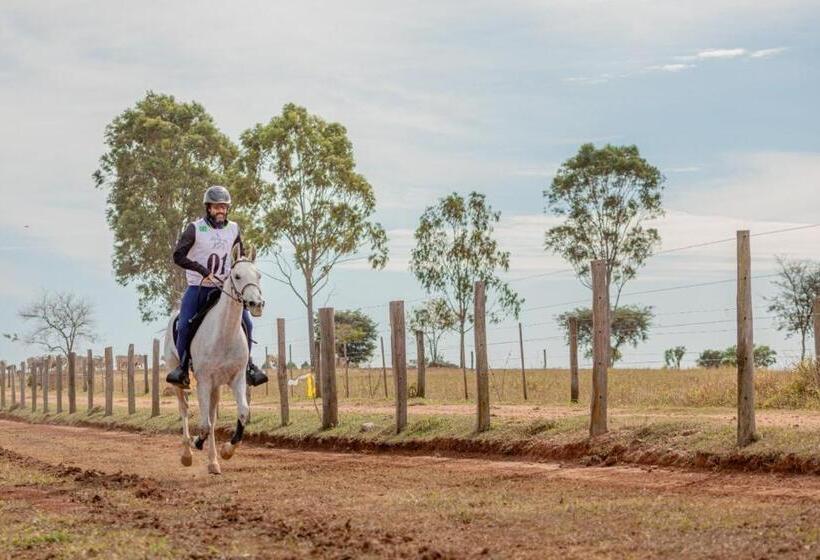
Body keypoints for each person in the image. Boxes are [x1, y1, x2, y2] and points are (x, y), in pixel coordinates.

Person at [165, 185, 268, 389]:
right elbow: (178, 255)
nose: (220, 210)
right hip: (199, 287)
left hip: (226, 289)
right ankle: (183, 368)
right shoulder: (195, 228)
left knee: (248, 323)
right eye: (216, 207)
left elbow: (240, 256)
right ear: (208, 208)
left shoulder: (233, 229)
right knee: (184, 323)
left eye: (223, 207)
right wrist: (202, 270)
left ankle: (249, 366)